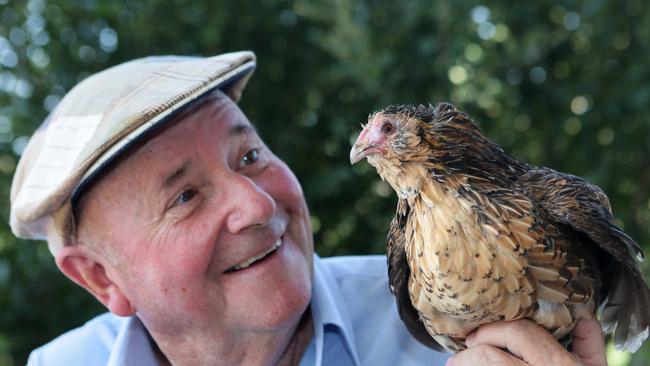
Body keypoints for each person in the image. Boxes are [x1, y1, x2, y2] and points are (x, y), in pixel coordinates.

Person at [10, 51, 608, 365]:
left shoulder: (454, 319)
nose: (256, 203)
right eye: (185, 196)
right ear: (100, 277)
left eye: (248, 157)